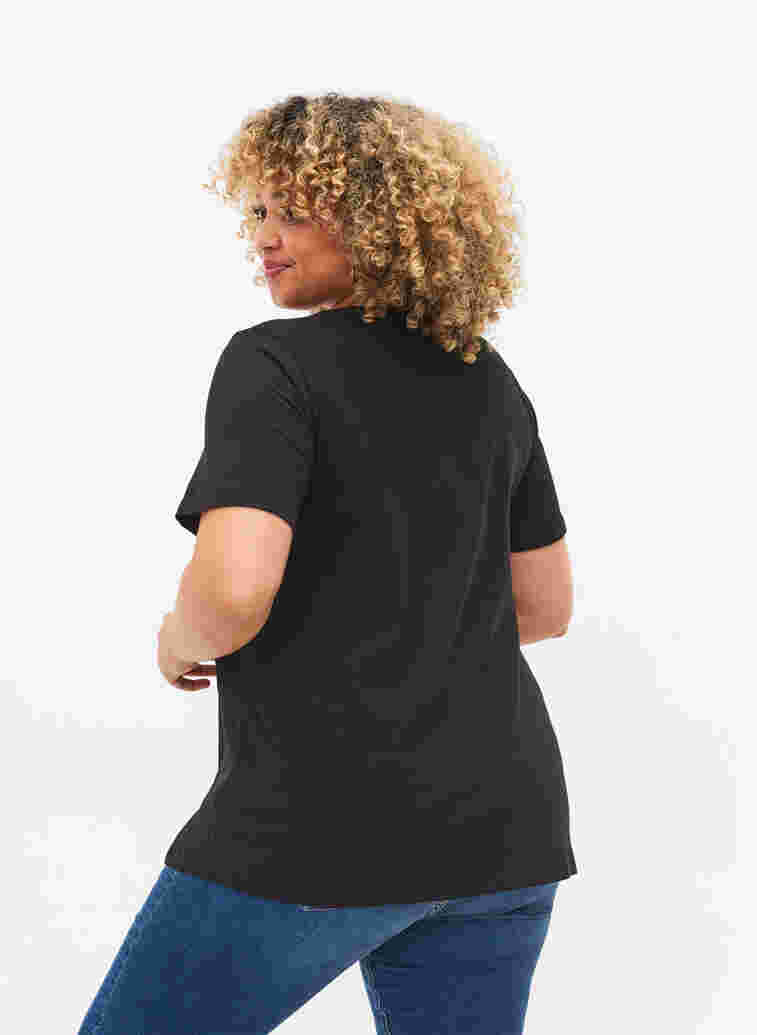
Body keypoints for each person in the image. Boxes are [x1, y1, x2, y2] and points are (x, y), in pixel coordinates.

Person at [77, 92, 577, 1035]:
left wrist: (178, 637)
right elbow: (543, 606)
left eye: (295, 212)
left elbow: (232, 588)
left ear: (379, 221)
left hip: (319, 827)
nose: (263, 236)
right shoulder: (488, 376)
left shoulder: (274, 364)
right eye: (257, 211)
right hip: (504, 830)